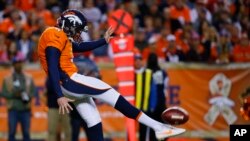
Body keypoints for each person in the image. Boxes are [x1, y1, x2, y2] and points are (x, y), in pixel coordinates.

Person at [37, 9, 185, 141]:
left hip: (67, 84)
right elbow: (52, 66)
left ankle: (159, 127)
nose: (79, 33)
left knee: (93, 120)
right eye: (78, 29)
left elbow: (79, 47)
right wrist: (59, 95)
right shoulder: (53, 34)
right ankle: (159, 127)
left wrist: (104, 41)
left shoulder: (60, 36)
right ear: (70, 25)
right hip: (68, 81)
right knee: (110, 93)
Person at [1, 55, 35, 141]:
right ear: (13, 65)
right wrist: (14, 95)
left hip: (25, 109)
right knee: (12, 133)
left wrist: (27, 96)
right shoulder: (7, 79)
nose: (19, 65)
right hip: (13, 109)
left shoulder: (29, 77)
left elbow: (33, 92)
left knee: (26, 134)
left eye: (20, 63)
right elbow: (3, 93)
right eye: (16, 63)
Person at [134, 53, 158, 141]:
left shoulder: (149, 73)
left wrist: (152, 106)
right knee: (131, 130)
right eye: (135, 60)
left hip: (145, 108)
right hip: (132, 108)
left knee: (144, 132)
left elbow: (153, 91)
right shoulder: (130, 74)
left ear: (142, 61)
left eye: (139, 60)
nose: (137, 62)